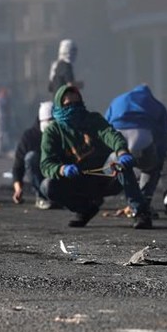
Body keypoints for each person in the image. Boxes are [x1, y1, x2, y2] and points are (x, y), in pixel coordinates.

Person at [40, 85, 153, 229]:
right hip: (75, 180)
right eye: (68, 105)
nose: (73, 108)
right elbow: (46, 164)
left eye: (76, 103)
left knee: (117, 159)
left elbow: (110, 135)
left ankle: (140, 212)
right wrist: (62, 169)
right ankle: (85, 209)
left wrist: (122, 152)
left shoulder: (92, 119)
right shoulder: (53, 131)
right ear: (59, 106)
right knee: (47, 186)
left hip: (104, 176)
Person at [105, 84, 167, 210]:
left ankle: (99, 193)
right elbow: (163, 134)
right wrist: (160, 159)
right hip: (142, 137)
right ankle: (143, 201)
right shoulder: (155, 103)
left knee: (113, 166)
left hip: (118, 134)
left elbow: (105, 123)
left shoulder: (118, 99)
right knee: (151, 167)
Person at [12, 101, 54, 209]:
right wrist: (18, 189)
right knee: (31, 157)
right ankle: (42, 197)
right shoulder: (29, 137)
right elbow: (18, 166)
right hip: (43, 178)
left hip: (60, 176)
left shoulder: (64, 132)